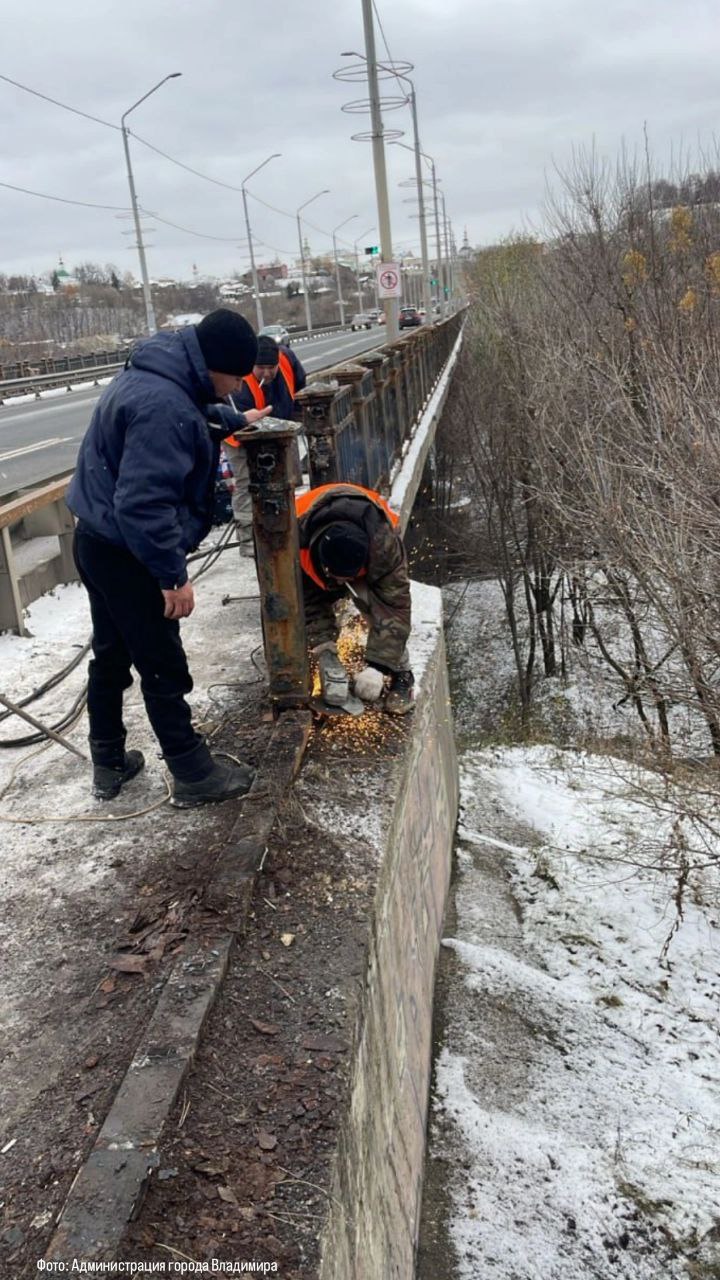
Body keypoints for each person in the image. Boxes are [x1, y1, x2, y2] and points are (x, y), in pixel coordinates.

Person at [67, 309, 271, 806]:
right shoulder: (164, 406)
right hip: (128, 551)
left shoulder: (160, 370)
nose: (236, 390)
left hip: (95, 539)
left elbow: (195, 410)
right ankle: (192, 772)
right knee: (160, 660)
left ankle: (109, 760)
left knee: (111, 655)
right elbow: (143, 504)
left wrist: (233, 420)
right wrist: (170, 576)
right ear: (215, 364)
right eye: (236, 380)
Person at [295, 482, 415, 715]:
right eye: (338, 579)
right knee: (293, 613)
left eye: (348, 578)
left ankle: (402, 673)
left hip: (371, 539)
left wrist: (378, 666)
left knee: (374, 604)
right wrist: (325, 651)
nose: (342, 585)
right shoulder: (292, 544)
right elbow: (306, 604)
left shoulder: (383, 546)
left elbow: (395, 607)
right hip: (306, 546)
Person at [223, 334, 307, 553]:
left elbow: (300, 384)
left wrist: (295, 417)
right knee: (246, 482)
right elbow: (243, 426)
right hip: (239, 434)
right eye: (261, 368)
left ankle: (283, 524)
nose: (267, 373)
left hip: (278, 429)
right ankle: (248, 537)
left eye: (272, 367)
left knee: (284, 477)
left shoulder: (287, 358)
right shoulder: (239, 383)